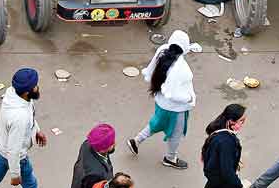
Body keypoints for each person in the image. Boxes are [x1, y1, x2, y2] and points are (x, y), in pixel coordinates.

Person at [128, 30, 196, 169]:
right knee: (175, 134)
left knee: (156, 123)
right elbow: (174, 95)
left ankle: (136, 140)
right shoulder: (182, 69)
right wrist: (189, 98)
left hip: (160, 102)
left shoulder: (162, 50)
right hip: (176, 109)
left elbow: (150, 69)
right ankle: (170, 158)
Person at [0, 68, 45, 188]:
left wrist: (36, 130)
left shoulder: (14, 94)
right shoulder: (19, 117)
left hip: (1, 150)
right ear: (26, 92)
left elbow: (30, 115)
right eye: (35, 86)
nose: (37, 87)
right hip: (16, 157)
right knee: (31, 184)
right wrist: (15, 175)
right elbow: (14, 150)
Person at [202, 104, 247, 188]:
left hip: (213, 180)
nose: (243, 123)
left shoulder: (218, 132)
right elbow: (227, 171)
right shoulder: (226, 142)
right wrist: (239, 185)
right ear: (231, 121)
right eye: (241, 120)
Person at [72, 124, 116, 188]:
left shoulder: (87, 144)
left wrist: (110, 149)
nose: (115, 143)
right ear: (103, 150)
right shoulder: (96, 174)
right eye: (112, 143)